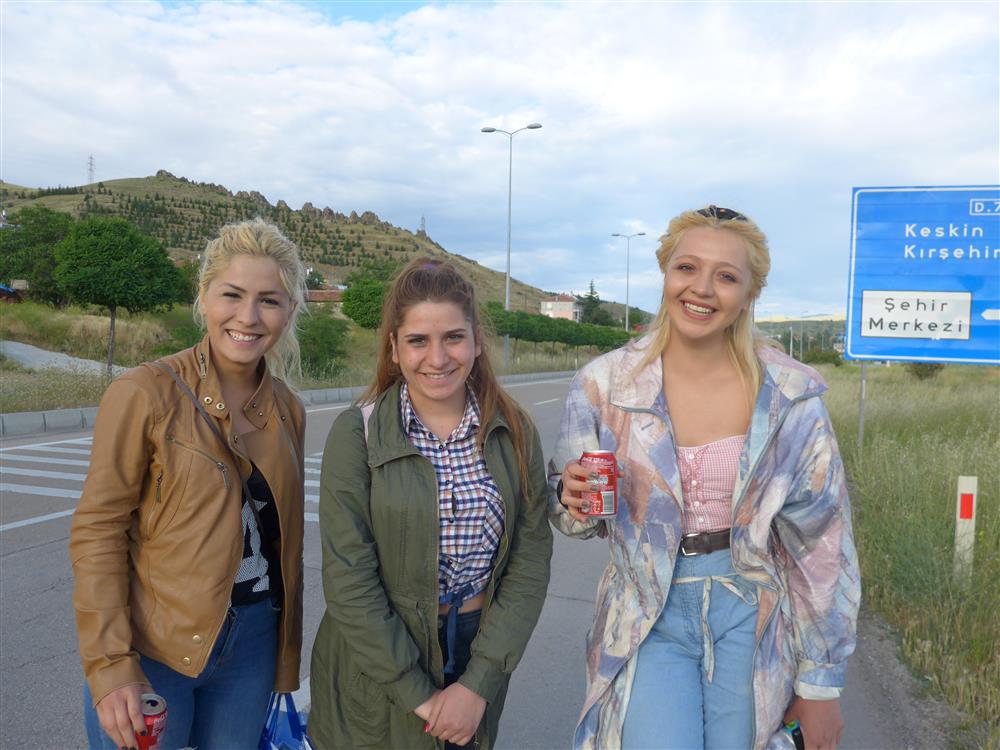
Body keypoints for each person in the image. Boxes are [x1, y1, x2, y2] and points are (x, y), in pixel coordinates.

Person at [551, 206, 860, 750]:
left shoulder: (790, 396)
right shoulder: (604, 385)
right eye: (687, 267)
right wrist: (568, 497)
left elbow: (821, 543)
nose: (701, 288)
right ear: (666, 273)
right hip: (646, 608)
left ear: (750, 293)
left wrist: (820, 683)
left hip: (754, 609)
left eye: (726, 276)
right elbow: (574, 519)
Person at [70, 218, 308, 750]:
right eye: (232, 295)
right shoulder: (145, 393)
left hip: (252, 647)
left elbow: (283, 544)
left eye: (269, 301)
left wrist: (283, 659)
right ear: (203, 296)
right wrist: (111, 665)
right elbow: (98, 532)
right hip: (155, 650)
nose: (248, 317)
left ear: (289, 310)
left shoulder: (288, 409)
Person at [309, 257, 553, 749]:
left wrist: (478, 683)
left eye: (453, 338)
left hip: (476, 646)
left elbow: (529, 562)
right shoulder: (356, 434)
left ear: (477, 341)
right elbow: (349, 578)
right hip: (377, 659)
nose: (437, 358)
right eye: (418, 340)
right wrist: (419, 695)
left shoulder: (515, 430)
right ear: (394, 348)